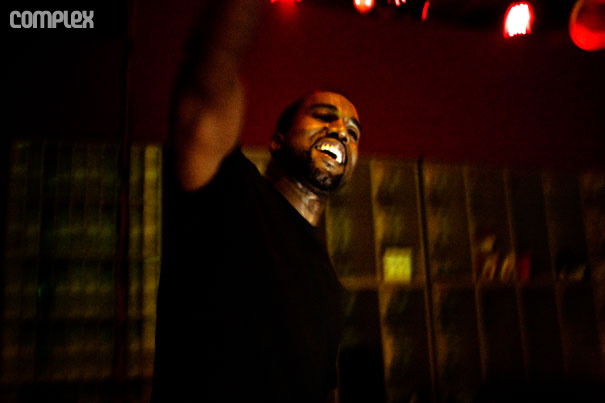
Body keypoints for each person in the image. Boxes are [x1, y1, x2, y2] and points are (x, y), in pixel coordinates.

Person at [151, 1, 362, 402]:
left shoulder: (327, 280)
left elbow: (324, 387)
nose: (341, 131)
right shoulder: (229, 197)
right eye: (324, 116)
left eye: (353, 131)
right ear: (277, 141)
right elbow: (208, 80)